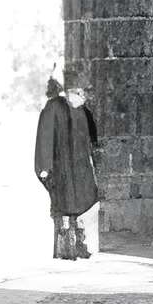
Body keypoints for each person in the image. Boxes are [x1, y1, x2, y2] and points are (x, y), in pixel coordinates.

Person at [35, 73, 100, 260]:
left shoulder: (82, 110)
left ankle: (79, 244)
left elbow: (92, 136)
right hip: (61, 166)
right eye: (79, 91)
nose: (83, 95)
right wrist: (45, 166)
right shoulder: (53, 108)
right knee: (64, 206)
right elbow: (45, 138)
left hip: (79, 165)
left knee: (81, 204)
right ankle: (66, 248)